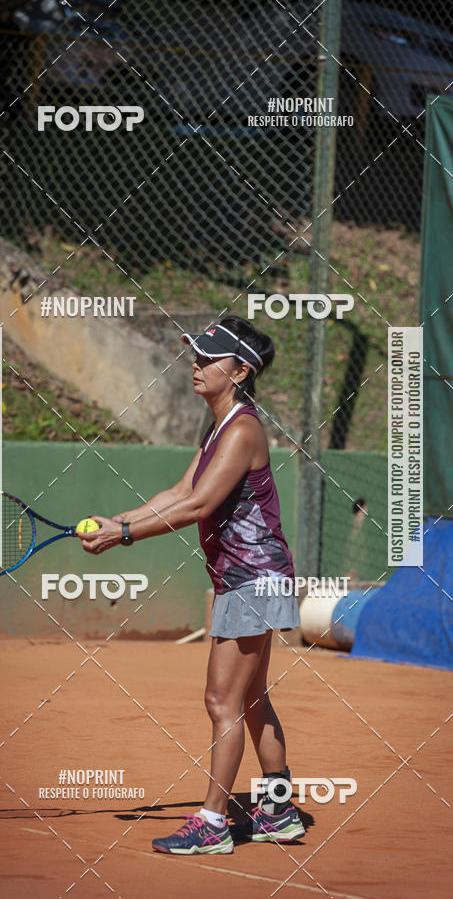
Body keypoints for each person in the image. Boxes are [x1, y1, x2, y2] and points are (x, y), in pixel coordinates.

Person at [79, 316, 303, 855]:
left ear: (241, 370)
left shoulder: (245, 427)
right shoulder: (220, 426)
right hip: (252, 581)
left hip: (253, 582)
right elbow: (182, 489)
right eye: (196, 355)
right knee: (249, 700)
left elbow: (200, 506)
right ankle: (279, 811)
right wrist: (121, 520)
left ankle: (212, 822)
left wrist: (126, 536)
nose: (196, 365)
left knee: (220, 701)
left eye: (209, 358)